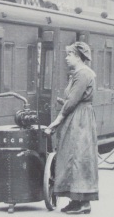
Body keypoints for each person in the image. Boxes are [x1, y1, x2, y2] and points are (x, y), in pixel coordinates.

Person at [44, 42, 98, 215]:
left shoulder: (83, 74)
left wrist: (57, 120)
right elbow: (73, 99)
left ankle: (83, 203)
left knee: (77, 157)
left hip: (79, 120)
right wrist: (64, 103)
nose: (66, 58)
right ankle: (76, 201)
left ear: (78, 56)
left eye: (69, 55)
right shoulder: (80, 73)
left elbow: (73, 101)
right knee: (74, 157)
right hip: (79, 116)